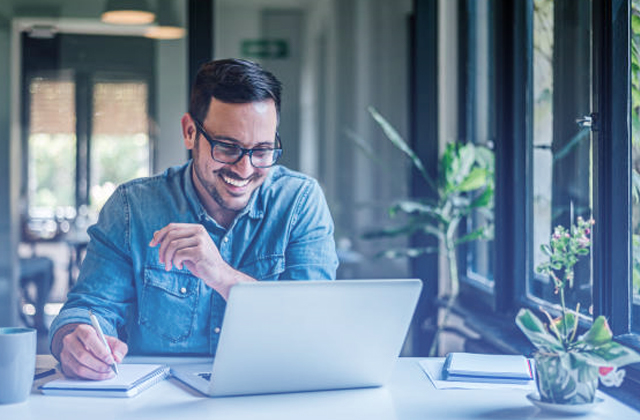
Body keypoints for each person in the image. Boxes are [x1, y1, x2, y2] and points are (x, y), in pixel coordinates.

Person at [49, 58, 339, 380]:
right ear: (190, 132)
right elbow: (89, 308)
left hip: (268, 394)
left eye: (262, 150)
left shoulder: (299, 202)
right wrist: (75, 342)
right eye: (227, 147)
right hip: (157, 402)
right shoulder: (133, 207)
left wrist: (222, 276)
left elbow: (314, 327)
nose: (245, 169)